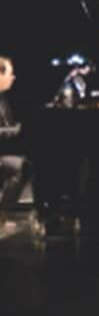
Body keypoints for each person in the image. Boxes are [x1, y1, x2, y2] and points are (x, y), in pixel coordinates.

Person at [0, 57, 27, 236]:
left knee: (28, 162)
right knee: (23, 167)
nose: (14, 77)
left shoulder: (2, 99)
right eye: (10, 73)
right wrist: (16, 130)